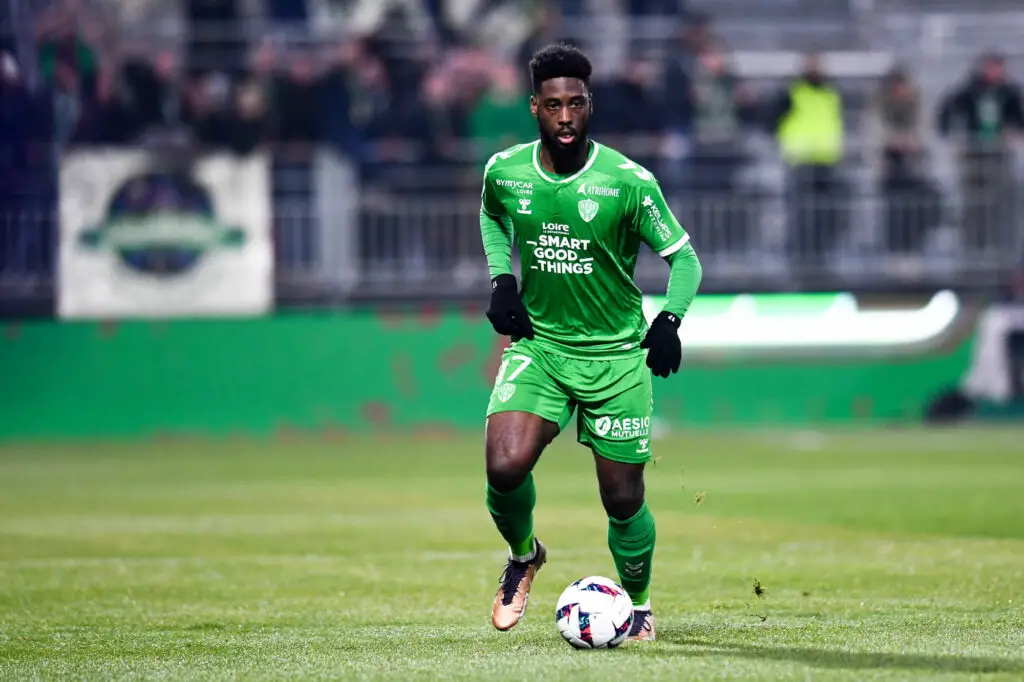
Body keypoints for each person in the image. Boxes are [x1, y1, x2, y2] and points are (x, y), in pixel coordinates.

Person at [477, 43, 703, 643]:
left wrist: (670, 320)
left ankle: (639, 605)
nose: (565, 117)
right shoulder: (505, 171)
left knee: (622, 498)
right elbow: (493, 214)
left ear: (589, 104)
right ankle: (524, 555)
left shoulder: (628, 182)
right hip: (542, 348)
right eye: (553, 105)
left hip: (616, 358)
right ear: (534, 107)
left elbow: (685, 260)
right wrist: (502, 278)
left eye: (575, 104)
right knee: (504, 465)